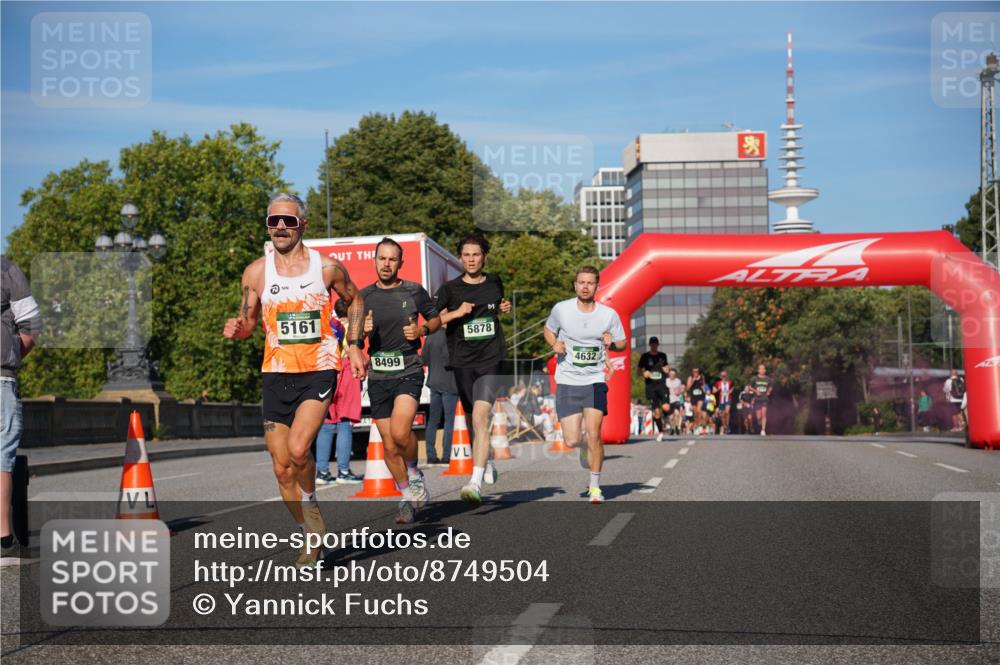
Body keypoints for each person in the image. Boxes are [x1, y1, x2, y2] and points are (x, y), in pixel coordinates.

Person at [224, 193, 366, 568]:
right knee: (281, 466)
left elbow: (355, 301)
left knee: (300, 450)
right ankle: (310, 526)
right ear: (268, 227)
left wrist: (352, 345)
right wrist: (238, 329)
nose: (281, 228)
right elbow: (249, 322)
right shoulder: (255, 272)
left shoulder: (327, 269)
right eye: (274, 222)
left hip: (318, 370)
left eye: (288, 221)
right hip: (276, 374)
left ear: (303, 225)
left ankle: (312, 516)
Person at [361, 238, 441, 524]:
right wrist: (360, 330)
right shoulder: (364, 296)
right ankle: (406, 496)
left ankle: (414, 471)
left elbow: (436, 321)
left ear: (399, 263)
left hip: (408, 368)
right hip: (379, 375)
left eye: (392, 259)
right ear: (374, 260)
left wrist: (420, 329)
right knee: (388, 444)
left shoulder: (413, 290)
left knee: (400, 429)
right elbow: (353, 336)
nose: (386, 264)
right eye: (381, 258)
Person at [435, 233, 511, 505]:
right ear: (460, 258)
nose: (471, 259)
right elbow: (433, 320)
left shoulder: (494, 282)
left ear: (484, 257)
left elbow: (497, 306)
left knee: (481, 415)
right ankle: (485, 458)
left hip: (491, 358)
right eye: (466, 255)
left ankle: (474, 482)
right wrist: (455, 314)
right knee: (471, 418)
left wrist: (503, 307)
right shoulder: (450, 290)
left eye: (476, 254)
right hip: (463, 360)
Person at [543, 265, 627, 504]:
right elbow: (548, 331)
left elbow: (622, 344)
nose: (585, 286)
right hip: (568, 381)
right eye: (581, 282)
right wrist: (554, 345)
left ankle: (595, 486)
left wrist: (612, 342)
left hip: (594, 381)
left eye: (590, 283)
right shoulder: (562, 309)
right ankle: (582, 448)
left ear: (596, 287)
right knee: (571, 439)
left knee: (594, 435)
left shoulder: (608, 315)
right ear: (575, 285)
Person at [1, 257, 41, 561]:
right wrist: (10, 357)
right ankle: (4, 540)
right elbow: (31, 324)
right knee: (1, 455)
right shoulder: (5, 268)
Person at [315, 299, 363, 485]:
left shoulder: (329, 325)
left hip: (327, 372)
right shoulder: (353, 328)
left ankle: (322, 472)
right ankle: (343, 471)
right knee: (344, 423)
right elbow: (355, 352)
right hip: (347, 372)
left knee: (326, 424)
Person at [421, 324, 458, 466]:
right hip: (449, 382)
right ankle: (447, 455)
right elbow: (448, 359)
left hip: (433, 382)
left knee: (433, 420)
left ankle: (431, 455)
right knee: (449, 421)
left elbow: (424, 359)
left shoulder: (430, 336)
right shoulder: (450, 335)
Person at [637, 337, 670, 441]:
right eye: (652, 344)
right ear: (650, 345)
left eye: (655, 343)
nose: (654, 345)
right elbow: (638, 372)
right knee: (656, 412)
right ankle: (660, 432)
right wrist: (643, 373)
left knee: (666, 408)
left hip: (661, 384)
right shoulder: (645, 357)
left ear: (658, 344)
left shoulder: (662, 356)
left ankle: (665, 418)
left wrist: (666, 369)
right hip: (651, 386)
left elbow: (666, 369)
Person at [750, 364, 773, 436]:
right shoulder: (754, 379)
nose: (762, 370)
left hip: (764, 398)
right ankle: (760, 423)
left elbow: (770, 386)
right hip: (757, 399)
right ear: (758, 370)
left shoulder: (768, 379)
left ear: (765, 370)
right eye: (761, 369)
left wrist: (769, 391)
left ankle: (763, 429)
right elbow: (750, 387)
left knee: (764, 414)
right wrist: (756, 391)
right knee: (758, 417)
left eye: (763, 369)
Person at [686, 367, 709, 434]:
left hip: (700, 396)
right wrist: (693, 380)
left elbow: (704, 385)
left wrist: (704, 389)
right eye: (694, 371)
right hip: (693, 396)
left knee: (699, 410)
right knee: (695, 413)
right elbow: (687, 388)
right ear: (692, 372)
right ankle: (696, 425)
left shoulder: (702, 377)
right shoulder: (690, 378)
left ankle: (699, 426)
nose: (695, 373)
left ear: (699, 372)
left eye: (697, 371)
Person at [713, 370, 734, 435]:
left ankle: (727, 425)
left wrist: (731, 391)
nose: (723, 377)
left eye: (724, 376)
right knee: (722, 415)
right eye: (722, 376)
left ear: (726, 376)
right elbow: (713, 391)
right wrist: (718, 389)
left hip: (728, 399)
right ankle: (725, 426)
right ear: (720, 376)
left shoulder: (730, 382)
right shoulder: (717, 383)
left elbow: (733, 387)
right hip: (721, 400)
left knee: (727, 412)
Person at [665, 368, 684, 436]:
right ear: (669, 374)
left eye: (673, 374)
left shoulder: (678, 381)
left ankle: (677, 427)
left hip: (676, 399)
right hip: (669, 400)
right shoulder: (666, 380)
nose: (672, 375)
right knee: (671, 417)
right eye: (671, 374)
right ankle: (672, 428)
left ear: (675, 375)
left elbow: (680, 389)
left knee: (677, 414)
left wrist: (679, 391)